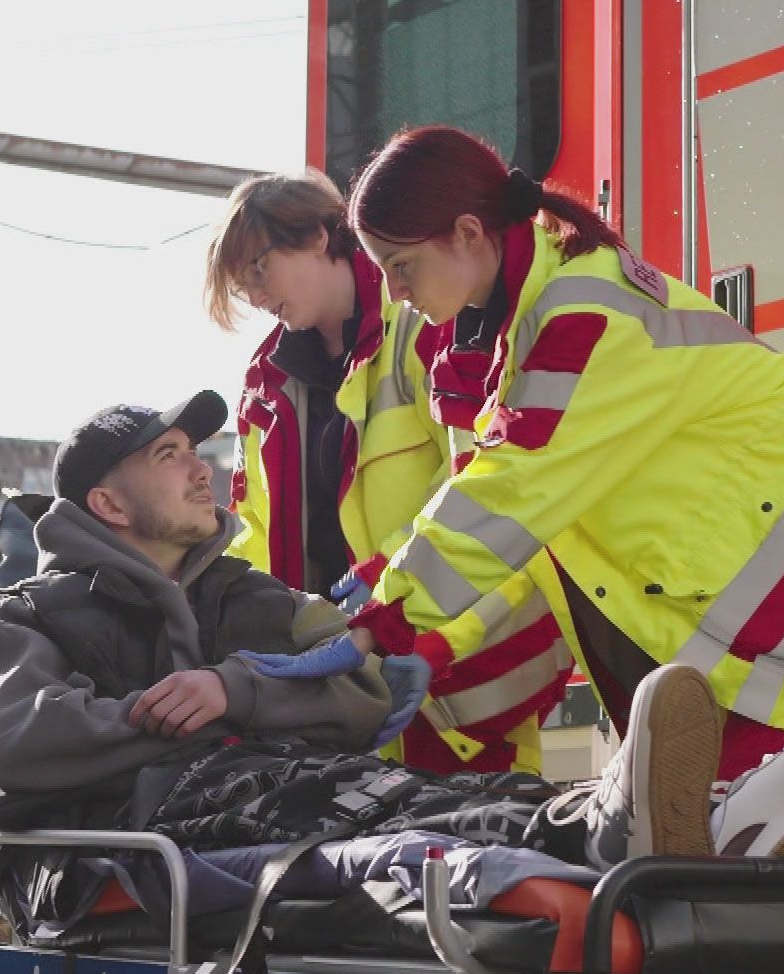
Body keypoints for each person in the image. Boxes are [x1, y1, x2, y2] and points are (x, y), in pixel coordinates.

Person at [0, 394, 784, 935]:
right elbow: (23, 744)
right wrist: (187, 720)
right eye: (170, 456)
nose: (202, 466)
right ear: (108, 506)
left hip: (267, 779)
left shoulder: (240, 593)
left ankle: (722, 817)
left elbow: (360, 689)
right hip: (138, 832)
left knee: (403, 793)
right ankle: (641, 830)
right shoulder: (33, 612)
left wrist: (233, 688)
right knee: (392, 819)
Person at [334, 125, 784, 783]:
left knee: (735, 859)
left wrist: (386, 624)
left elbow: (511, 490)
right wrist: (414, 621)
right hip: (776, 599)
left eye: (400, 266)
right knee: (727, 855)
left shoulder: (575, 316)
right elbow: (515, 510)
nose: (395, 292)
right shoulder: (536, 317)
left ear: (467, 234)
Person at [205, 170, 573, 776]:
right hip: (326, 686)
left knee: (467, 855)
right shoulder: (264, 381)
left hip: (450, 674)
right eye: (241, 284)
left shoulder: (431, 322)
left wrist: (404, 617)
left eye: (258, 269)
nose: (252, 294)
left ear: (321, 237)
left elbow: (485, 489)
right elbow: (255, 526)